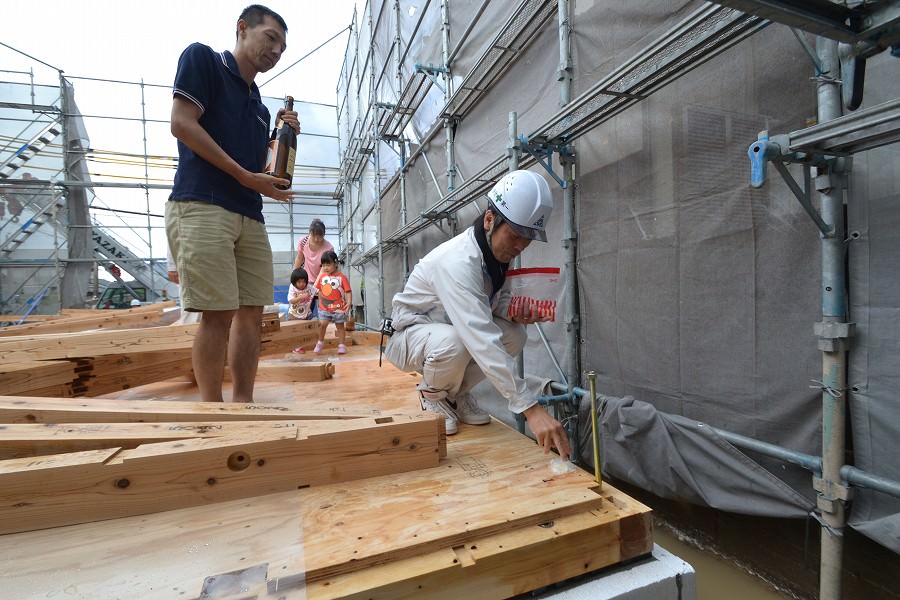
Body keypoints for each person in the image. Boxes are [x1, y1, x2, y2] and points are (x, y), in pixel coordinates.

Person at [383, 169, 571, 460]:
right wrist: (530, 408)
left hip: (444, 331)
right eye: (516, 235)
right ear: (489, 219)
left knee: (514, 334)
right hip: (409, 336)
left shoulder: (495, 255)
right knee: (461, 341)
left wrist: (513, 311)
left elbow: (491, 303)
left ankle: (454, 396)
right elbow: (480, 337)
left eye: (529, 238)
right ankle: (431, 394)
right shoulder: (458, 262)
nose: (521, 245)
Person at [165, 5, 299, 403]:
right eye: (270, 38)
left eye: (283, 47)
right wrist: (246, 177)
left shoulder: (259, 109)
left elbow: (259, 167)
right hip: (203, 203)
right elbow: (181, 123)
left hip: (248, 214)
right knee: (217, 314)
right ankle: (211, 411)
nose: (276, 51)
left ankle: (243, 404)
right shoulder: (203, 59)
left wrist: (280, 137)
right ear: (243, 29)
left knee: (252, 314)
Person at [313, 250, 352, 355]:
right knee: (322, 324)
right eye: (323, 265)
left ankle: (342, 345)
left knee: (340, 326)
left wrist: (349, 303)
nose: (325, 267)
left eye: (328, 264)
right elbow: (316, 290)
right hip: (324, 308)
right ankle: (320, 342)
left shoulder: (342, 277)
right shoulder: (322, 277)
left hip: (339, 308)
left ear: (335, 263)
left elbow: (348, 291)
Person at [293, 218, 333, 318]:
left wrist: (314, 287)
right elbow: (300, 257)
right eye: (314, 236)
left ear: (324, 235)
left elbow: (324, 269)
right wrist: (294, 276)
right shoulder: (303, 241)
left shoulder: (329, 248)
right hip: (307, 280)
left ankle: (324, 329)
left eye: (319, 237)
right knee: (306, 308)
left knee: (323, 310)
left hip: (323, 281)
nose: (316, 239)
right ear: (310, 233)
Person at [288, 267, 315, 353]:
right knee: (296, 332)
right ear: (294, 282)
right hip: (294, 315)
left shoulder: (309, 287)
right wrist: (301, 296)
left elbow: (318, 291)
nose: (302, 284)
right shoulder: (292, 288)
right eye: (299, 282)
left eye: (304, 281)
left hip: (307, 314)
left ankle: (311, 342)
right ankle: (296, 347)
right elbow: (291, 301)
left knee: (316, 322)